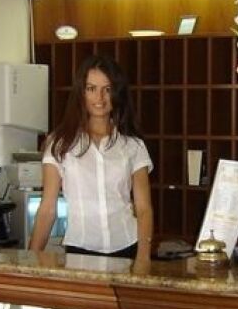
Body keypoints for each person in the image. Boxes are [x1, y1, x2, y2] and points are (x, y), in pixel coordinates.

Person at [28, 54, 154, 265]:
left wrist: (143, 257)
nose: (100, 98)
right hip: (80, 248)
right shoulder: (59, 144)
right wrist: (30, 259)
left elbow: (143, 209)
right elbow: (47, 208)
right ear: (81, 92)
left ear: (117, 93)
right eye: (91, 89)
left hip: (127, 246)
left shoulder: (133, 146)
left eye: (107, 89)